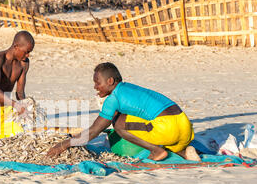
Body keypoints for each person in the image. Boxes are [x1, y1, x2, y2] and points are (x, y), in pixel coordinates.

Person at [47, 62, 201, 161]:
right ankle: (185, 152)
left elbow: (94, 131)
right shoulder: (130, 88)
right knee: (138, 121)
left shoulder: (113, 98)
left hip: (167, 129)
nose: (95, 87)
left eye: (97, 83)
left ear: (110, 82)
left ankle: (156, 151)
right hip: (185, 126)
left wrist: (63, 145)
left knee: (119, 123)